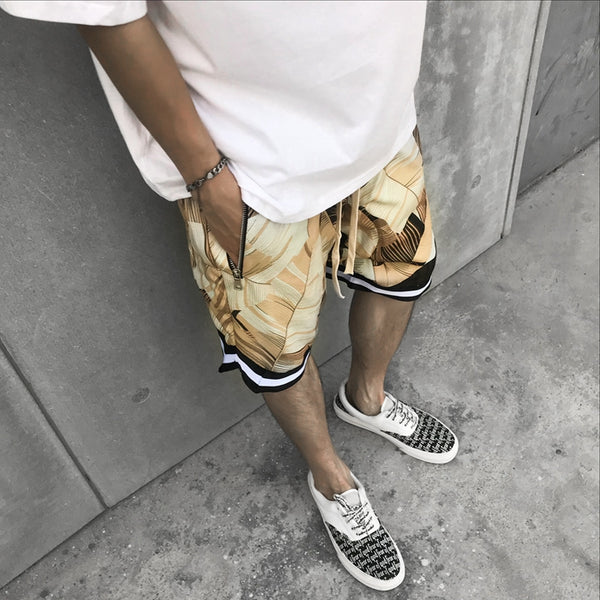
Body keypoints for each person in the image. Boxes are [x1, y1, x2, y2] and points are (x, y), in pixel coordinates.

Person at [0, 1, 459, 591]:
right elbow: (102, 10)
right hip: (253, 163)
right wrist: (206, 176)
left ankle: (365, 400)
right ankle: (330, 478)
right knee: (275, 351)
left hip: (383, 120)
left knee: (404, 274)